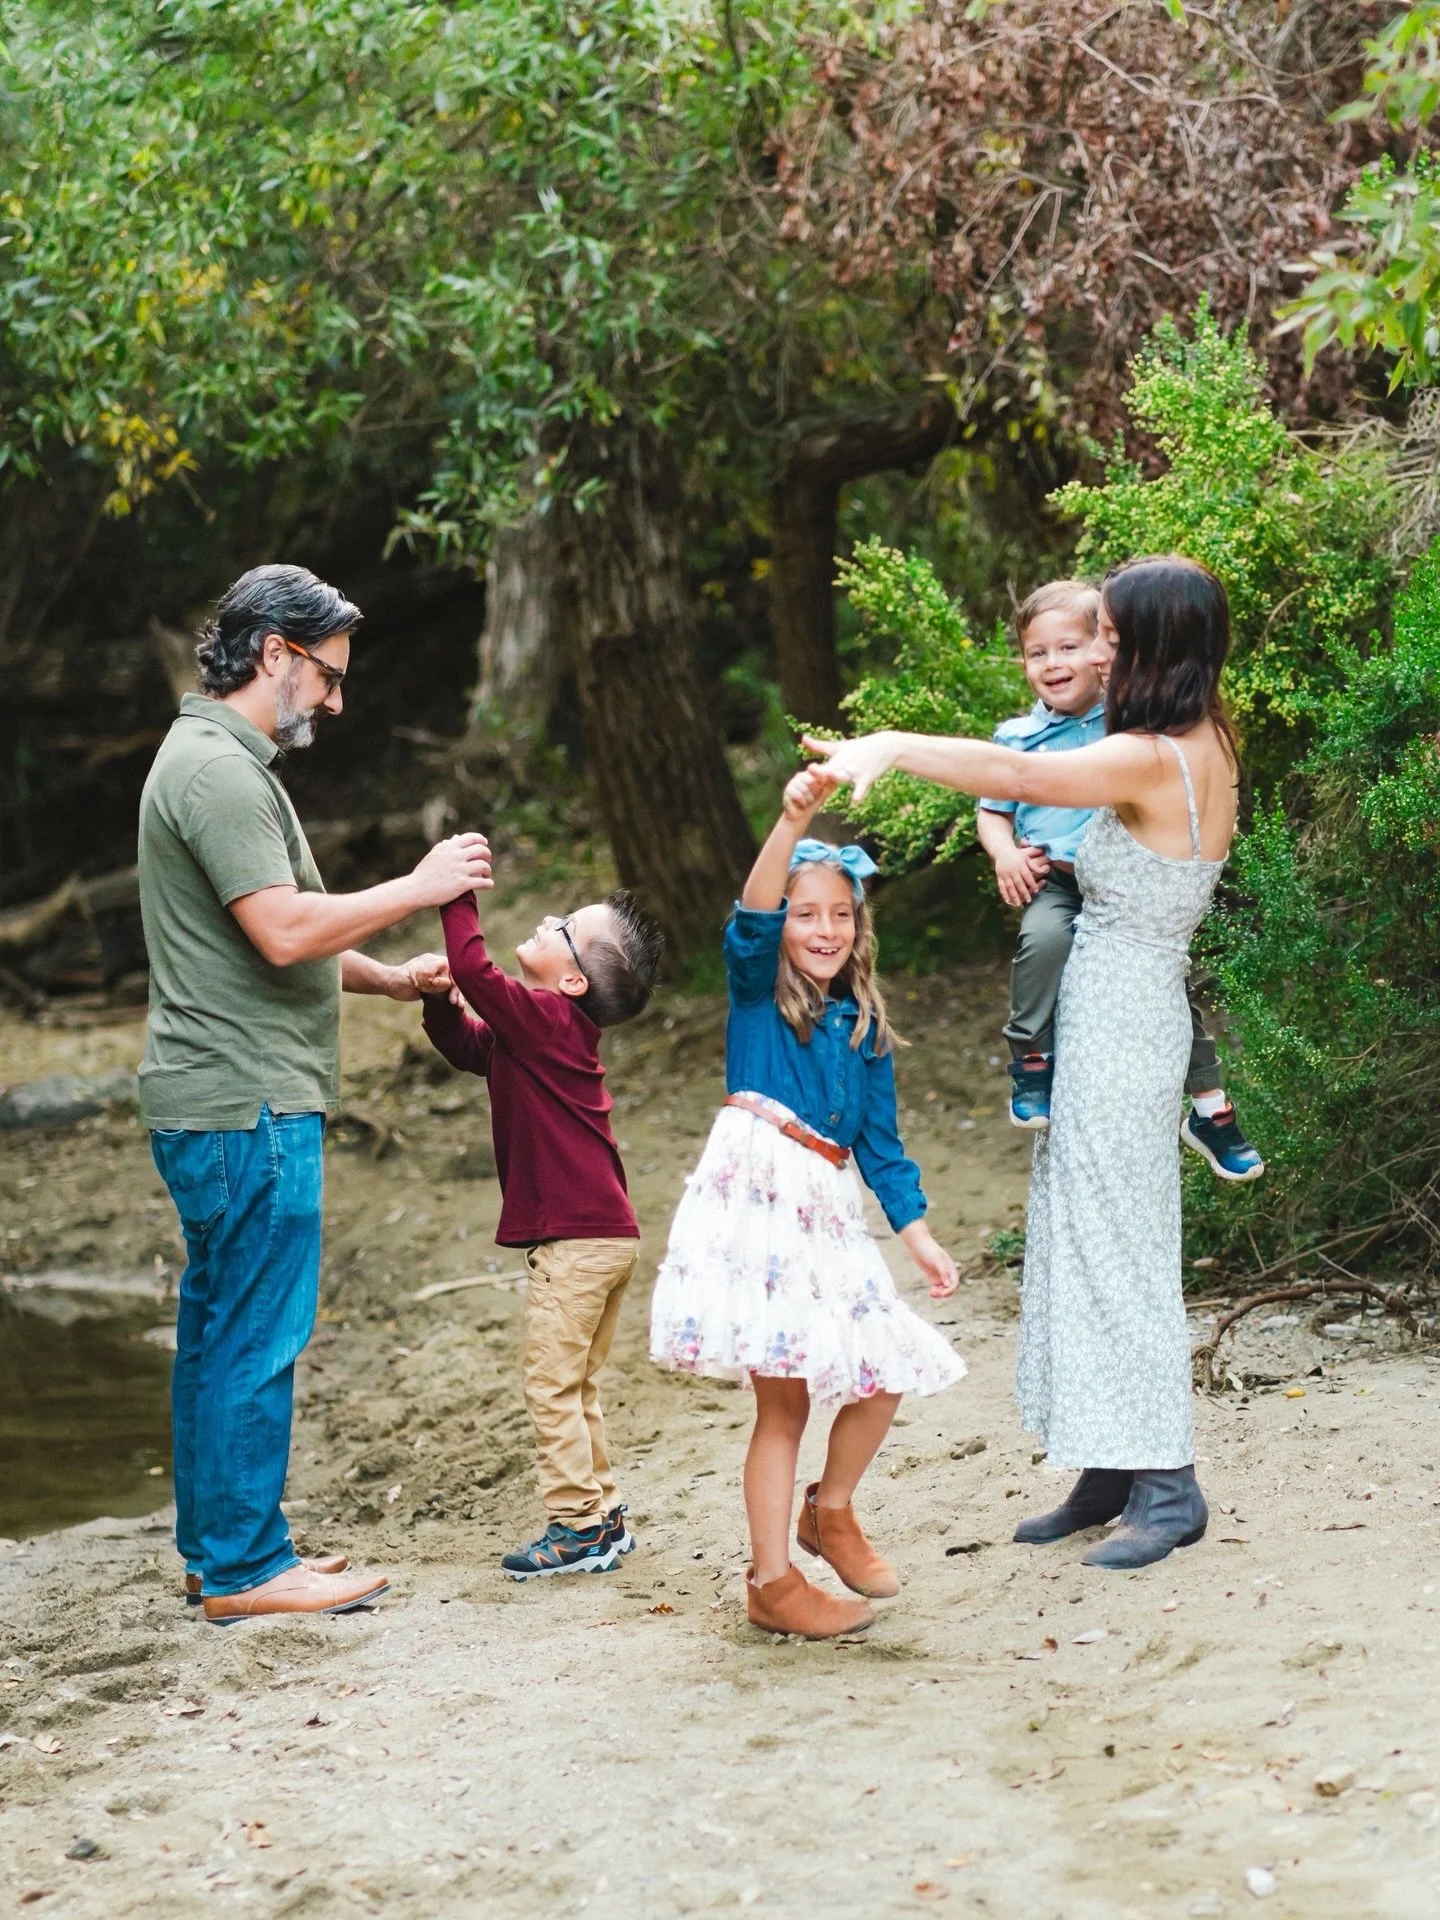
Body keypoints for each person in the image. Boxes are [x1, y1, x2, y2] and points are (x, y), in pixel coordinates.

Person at [805, 555, 1239, 1571]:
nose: (1097, 654)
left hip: (1127, 1015)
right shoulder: (1195, 734)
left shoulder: (1153, 756)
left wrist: (896, 746)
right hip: (1111, 1004)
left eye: (1116, 642)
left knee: (1118, 1244)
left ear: (1158, 650)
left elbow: (1023, 776)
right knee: (1078, 1233)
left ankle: (1167, 1485)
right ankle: (1110, 1463)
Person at [139, 563, 492, 1624]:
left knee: (216, 1331)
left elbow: (277, 931)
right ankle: (249, 1570)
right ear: (275, 654)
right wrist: (422, 890)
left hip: (222, 1099)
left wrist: (387, 977)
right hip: (247, 1104)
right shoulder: (219, 773)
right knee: (256, 1332)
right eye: (327, 677)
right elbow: (284, 929)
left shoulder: (213, 760)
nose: (336, 702)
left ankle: (224, 1554)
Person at [649, 769, 965, 1639]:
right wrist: (792, 821)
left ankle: (830, 1509)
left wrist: (921, 1238)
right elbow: (752, 914)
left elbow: (883, 1148)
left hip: (824, 1206)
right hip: (759, 1202)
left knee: (886, 1368)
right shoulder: (757, 994)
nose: (823, 929)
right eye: (806, 913)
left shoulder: (863, 1026)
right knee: (783, 1404)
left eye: (840, 914)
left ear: (860, 925)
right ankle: (773, 1582)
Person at [414, 877, 664, 1580]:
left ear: (574, 980)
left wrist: (453, 889)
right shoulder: (538, 1035)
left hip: (580, 1243)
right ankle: (605, 1514)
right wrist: (438, 1003)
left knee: (551, 1385)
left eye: (563, 927)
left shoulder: (548, 1021)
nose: (548, 917)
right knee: (577, 1384)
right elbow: (471, 1048)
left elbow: (474, 969)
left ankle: (577, 1524)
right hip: (607, 1235)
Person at [979, 579, 1262, 1182]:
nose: (1056, 664)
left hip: (1124, 899)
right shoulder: (1020, 735)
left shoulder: (1126, 728)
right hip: (1057, 880)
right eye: (1037, 653)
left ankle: (1210, 1103)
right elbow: (999, 799)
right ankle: (1030, 1056)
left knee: (1167, 990)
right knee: (1044, 945)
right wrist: (1005, 853)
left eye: (1080, 645)